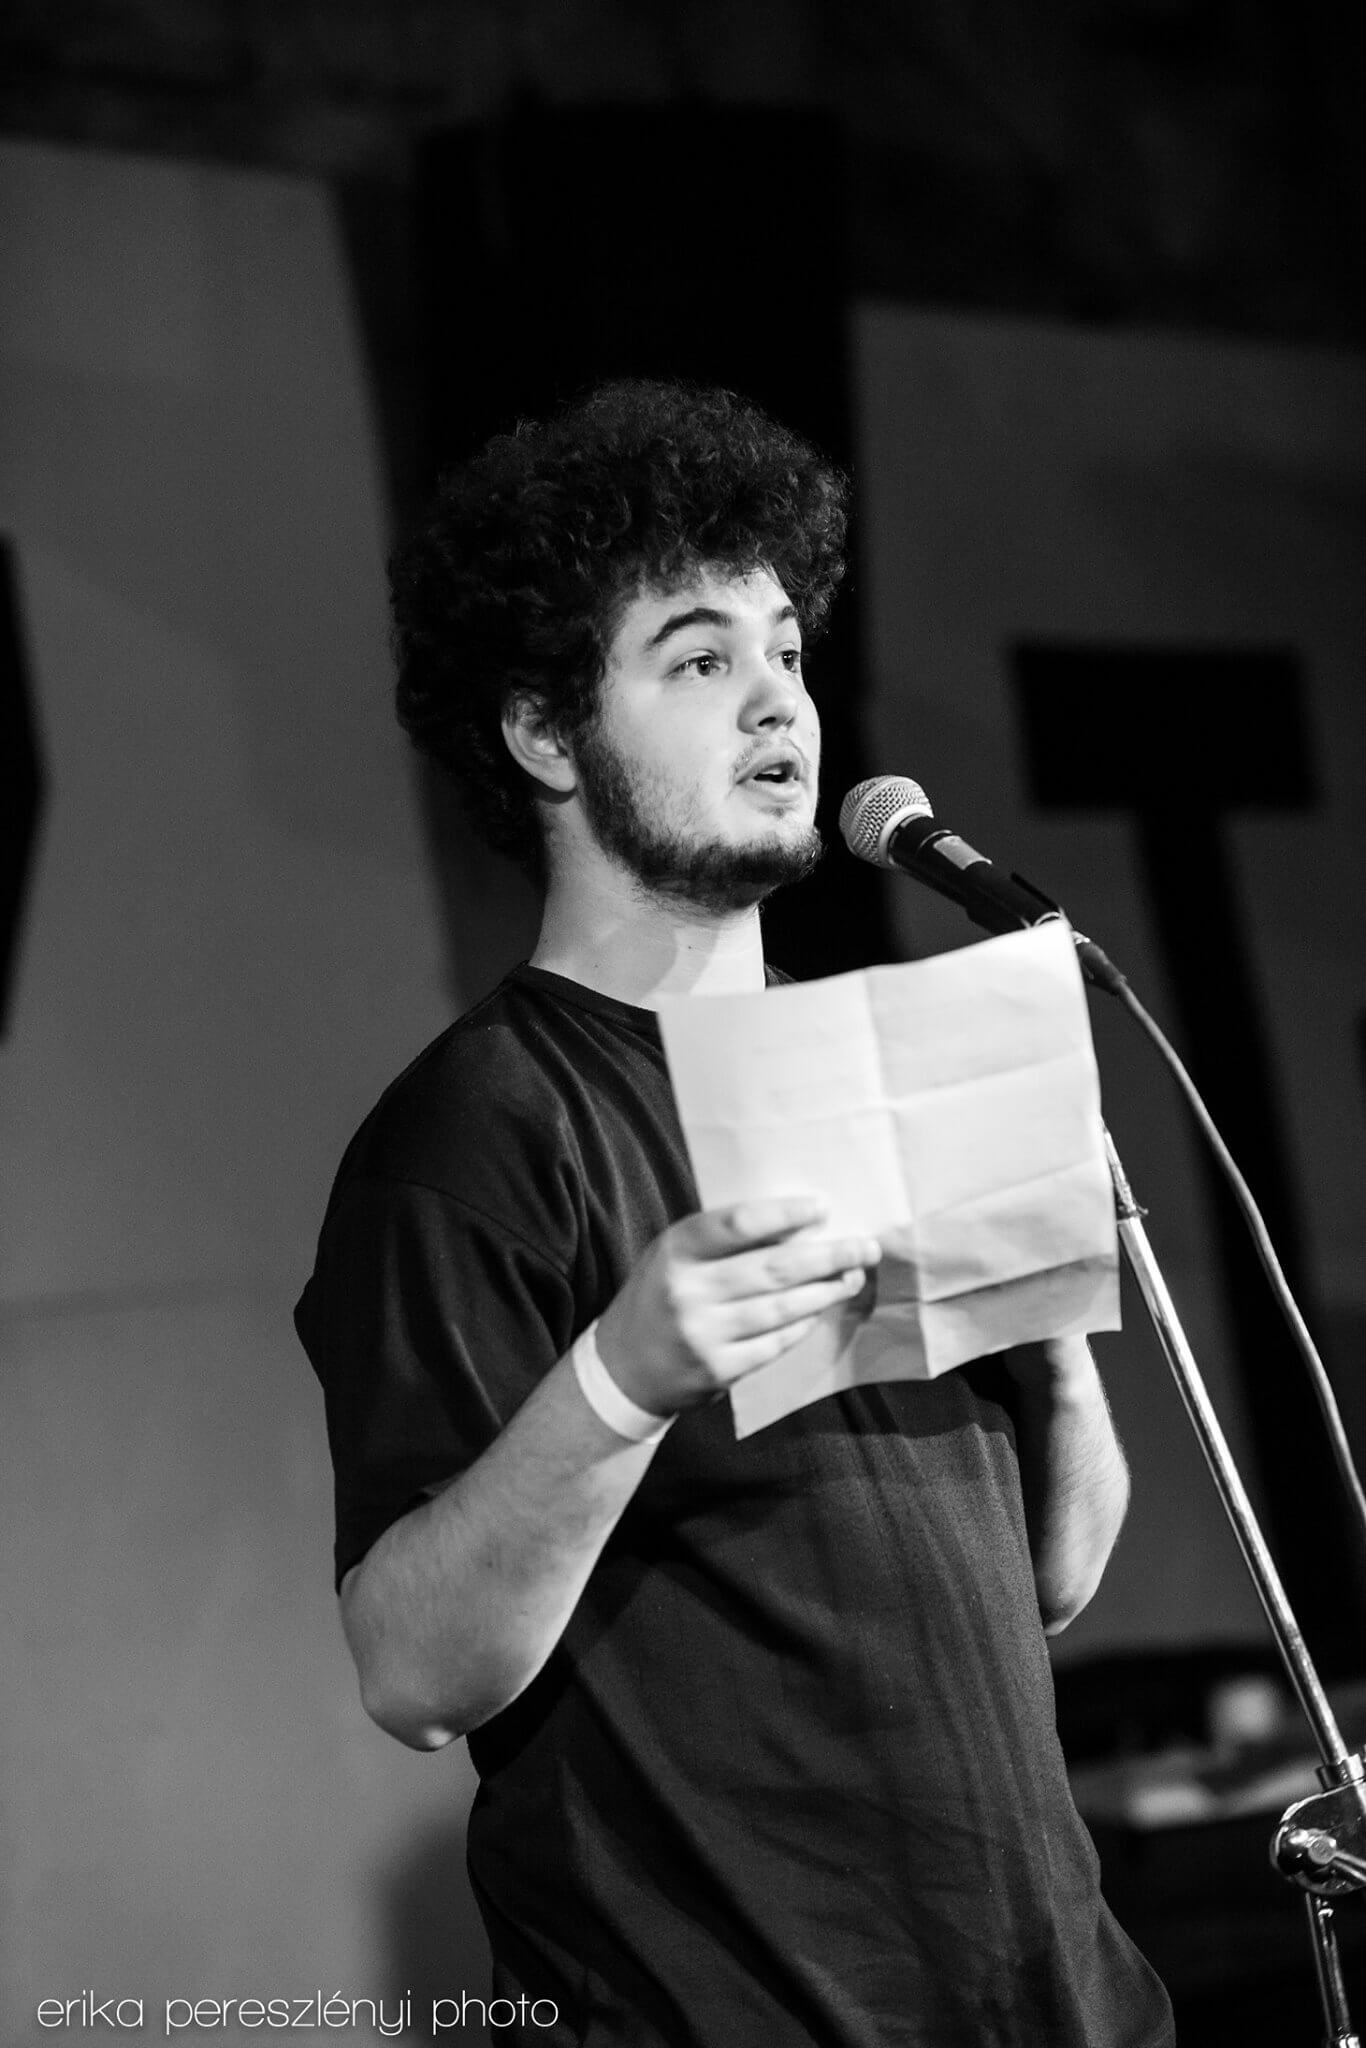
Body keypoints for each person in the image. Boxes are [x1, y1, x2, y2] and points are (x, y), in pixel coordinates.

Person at [295, 380, 1173, 2046]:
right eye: (698, 662)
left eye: (784, 649)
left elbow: (1049, 1581)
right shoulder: (478, 1130)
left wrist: (1055, 1317)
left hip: (1060, 2006)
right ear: (544, 734)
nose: (778, 701)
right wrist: (619, 1378)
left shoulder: (879, 1064)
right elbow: (411, 1675)